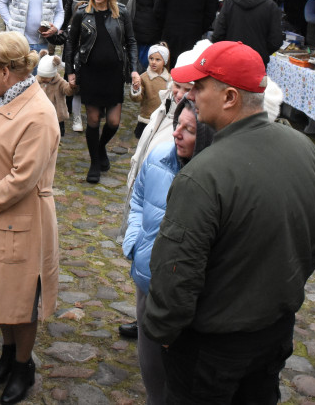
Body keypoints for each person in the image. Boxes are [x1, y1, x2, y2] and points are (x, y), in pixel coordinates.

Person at [143, 41, 315, 405]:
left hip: (212, 347)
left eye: (199, 87)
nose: (191, 95)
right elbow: (314, 243)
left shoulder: (203, 174)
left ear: (229, 97)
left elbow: (177, 271)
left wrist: (163, 330)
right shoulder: (305, 149)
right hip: (272, 334)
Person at [0, 32, 60, 405]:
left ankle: (23, 365)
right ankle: (7, 355)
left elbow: (23, 180)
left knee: (21, 301)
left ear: (7, 71)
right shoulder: (0, 99)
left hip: (22, 220)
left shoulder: (38, 115)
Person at [125, 99, 213, 405]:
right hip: (147, 279)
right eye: (177, 124)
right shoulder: (159, 157)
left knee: (180, 373)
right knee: (149, 365)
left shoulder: (211, 178)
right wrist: (135, 244)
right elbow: (137, 199)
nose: (176, 133)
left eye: (188, 130)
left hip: (184, 298)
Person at [64, 0, 138, 182]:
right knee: (94, 120)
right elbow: (71, 43)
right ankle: (95, 162)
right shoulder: (82, 13)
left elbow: (131, 41)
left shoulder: (120, 13)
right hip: (90, 73)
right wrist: (70, 71)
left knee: (113, 122)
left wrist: (133, 69)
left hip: (114, 73)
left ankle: (100, 146)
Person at [211, 0, 285, 65]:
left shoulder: (230, 1)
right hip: (256, 61)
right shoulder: (271, 6)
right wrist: (261, 52)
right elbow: (276, 41)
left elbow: (217, 35)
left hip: (230, 59)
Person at [130, 44, 170, 139]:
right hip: (146, 119)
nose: (153, 62)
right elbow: (137, 99)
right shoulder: (144, 78)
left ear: (165, 61)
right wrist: (136, 89)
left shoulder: (170, 79)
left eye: (157, 59)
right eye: (151, 58)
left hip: (162, 121)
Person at [132, 0, 166, 70]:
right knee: (147, 54)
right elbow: (158, 9)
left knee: (139, 51)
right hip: (150, 25)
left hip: (138, 21)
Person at [35, 52, 73, 138]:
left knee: (57, 134)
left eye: (46, 78)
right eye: (42, 77)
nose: (44, 80)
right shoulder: (36, 81)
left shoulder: (59, 82)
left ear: (52, 75)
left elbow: (68, 91)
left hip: (57, 115)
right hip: (41, 114)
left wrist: (72, 86)